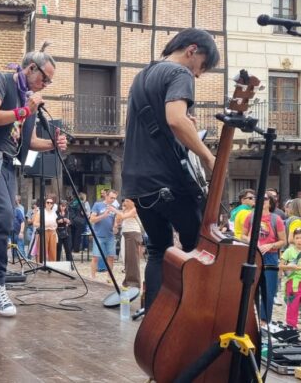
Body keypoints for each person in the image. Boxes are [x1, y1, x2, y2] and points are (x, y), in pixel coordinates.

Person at [0, 42, 67, 316]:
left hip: (8, 163)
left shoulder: (28, 99)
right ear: (30, 68)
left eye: (49, 81)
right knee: (5, 217)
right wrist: (24, 110)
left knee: (3, 220)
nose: (45, 84)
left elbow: (30, 141)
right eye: (44, 77)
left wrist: (54, 145)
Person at [121, 28, 219, 311]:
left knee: (158, 251)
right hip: (166, 179)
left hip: (137, 181)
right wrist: (207, 157)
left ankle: (154, 321)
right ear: (192, 50)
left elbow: (166, 123)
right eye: (202, 66)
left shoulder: (143, 75)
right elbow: (176, 119)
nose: (199, 75)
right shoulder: (180, 74)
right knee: (197, 246)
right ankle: (188, 318)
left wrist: (182, 124)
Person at [243, 194, 286, 325]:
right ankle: (246, 318)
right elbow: (242, 235)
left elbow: (283, 241)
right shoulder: (250, 217)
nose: (262, 201)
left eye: (265, 199)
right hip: (253, 253)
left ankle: (264, 320)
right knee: (248, 287)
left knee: (269, 289)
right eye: (259, 198)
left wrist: (270, 245)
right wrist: (252, 241)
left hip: (270, 255)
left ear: (270, 203)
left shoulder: (276, 219)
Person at [116, 198, 145, 298]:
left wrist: (114, 210)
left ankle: (135, 283)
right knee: (127, 259)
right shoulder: (125, 209)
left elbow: (124, 216)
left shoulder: (135, 209)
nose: (125, 203)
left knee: (133, 260)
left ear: (133, 202)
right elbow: (119, 219)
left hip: (133, 234)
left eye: (128, 201)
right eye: (125, 201)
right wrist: (118, 214)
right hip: (126, 234)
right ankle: (128, 281)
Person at [90, 190, 119, 281]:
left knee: (111, 257)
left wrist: (115, 227)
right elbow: (92, 219)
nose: (113, 200)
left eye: (114, 198)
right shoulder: (97, 205)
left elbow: (115, 221)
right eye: (111, 197)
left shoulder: (114, 207)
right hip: (99, 235)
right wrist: (103, 216)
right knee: (95, 257)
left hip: (110, 236)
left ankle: (109, 277)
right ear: (106, 196)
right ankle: (92, 277)